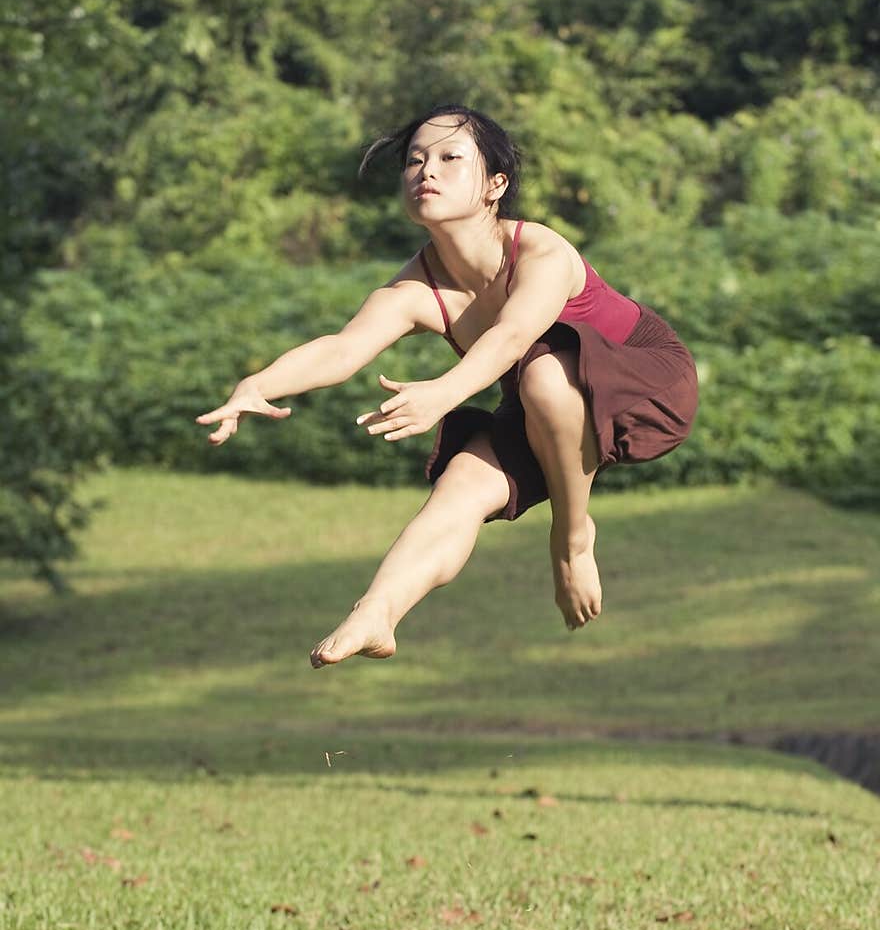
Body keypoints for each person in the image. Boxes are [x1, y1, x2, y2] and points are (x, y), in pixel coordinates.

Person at [195, 104, 698, 668]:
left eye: (449, 158)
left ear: (494, 185)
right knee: (461, 485)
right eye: (414, 160)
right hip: (548, 407)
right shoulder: (417, 287)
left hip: (649, 382)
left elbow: (512, 337)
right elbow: (341, 349)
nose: (425, 171)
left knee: (542, 373)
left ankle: (573, 538)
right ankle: (377, 613)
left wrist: (442, 393)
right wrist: (255, 384)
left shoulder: (541, 251)